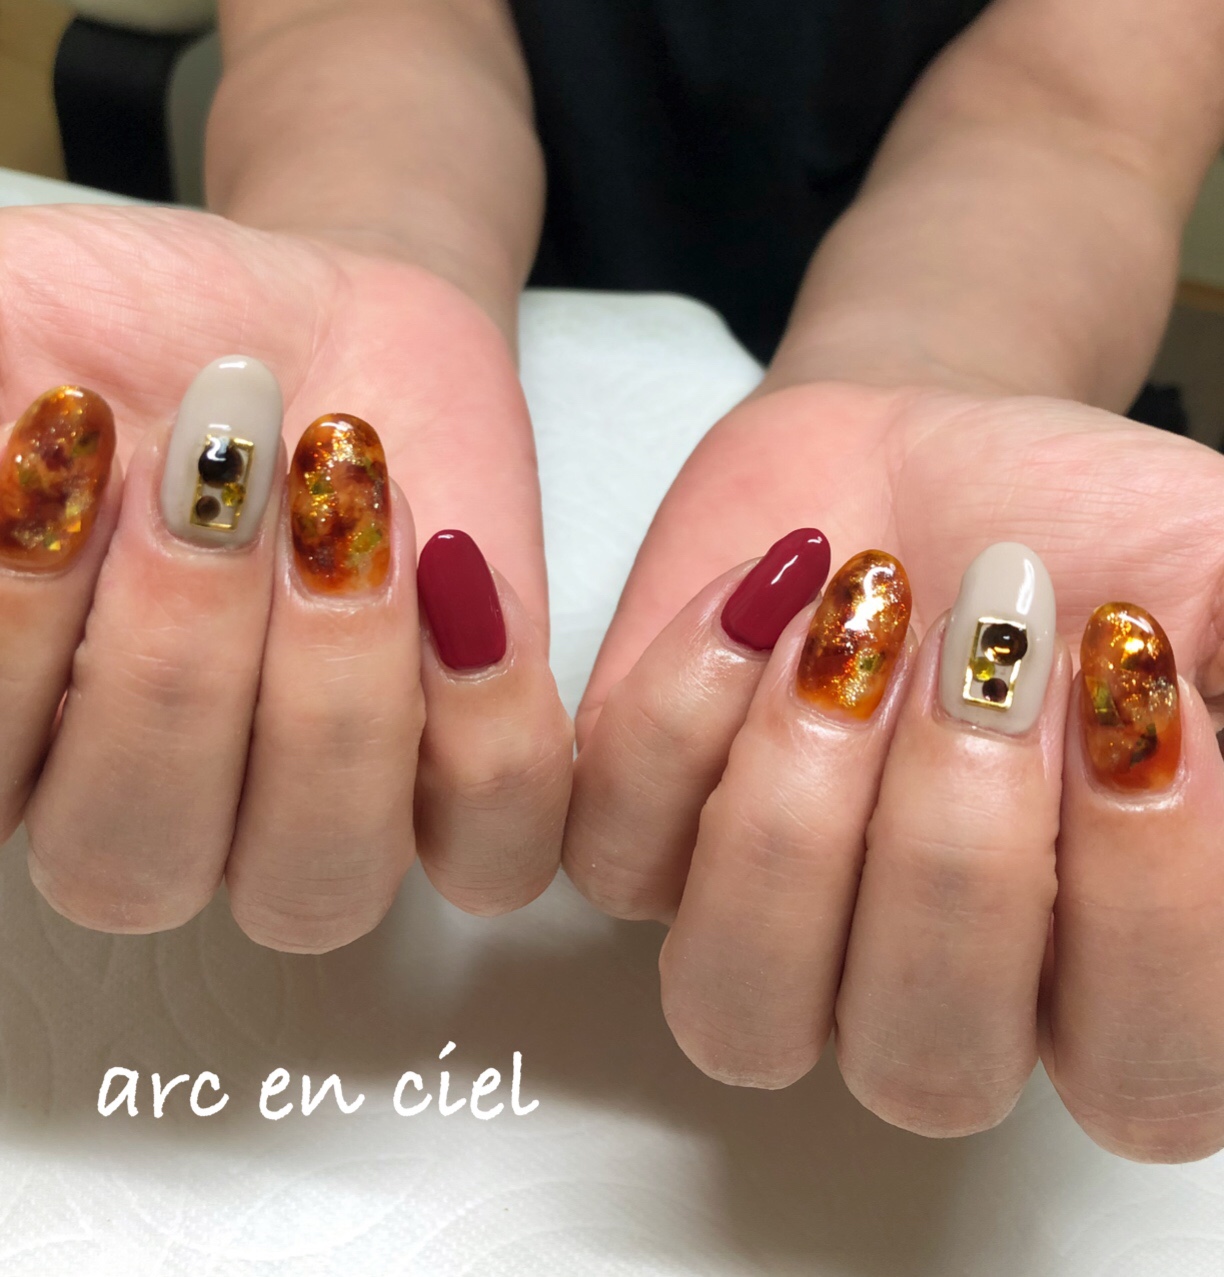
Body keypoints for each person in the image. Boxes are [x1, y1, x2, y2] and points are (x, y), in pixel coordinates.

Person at [2, 0, 1224, 1162]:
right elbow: (353, 21)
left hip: (975, 291)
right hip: (473, 264)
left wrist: (936, 371)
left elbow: (1074, 119)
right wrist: (367, 254)